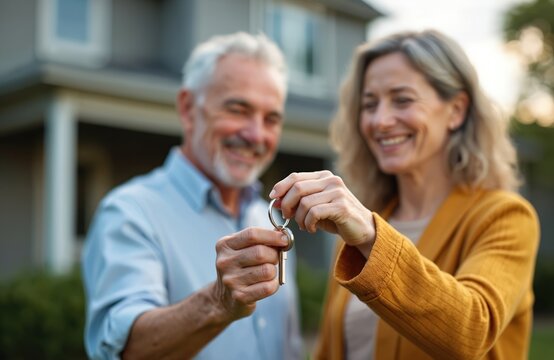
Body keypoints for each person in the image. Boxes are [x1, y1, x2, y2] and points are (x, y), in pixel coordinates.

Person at [269, 29, 540, 359]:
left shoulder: (505, 217)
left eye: (402, 100)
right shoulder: (366, 223)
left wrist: (370, 236)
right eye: (370, 105)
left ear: (456, 111)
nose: (381, 120)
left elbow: (470, 333)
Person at [82, 32, 302, 360]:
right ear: (187, 108)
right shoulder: (130, 212)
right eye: (238, 109)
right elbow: (123, 349)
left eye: (271, 119)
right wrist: (217, 302)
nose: (256, 135)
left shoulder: (268, 216)